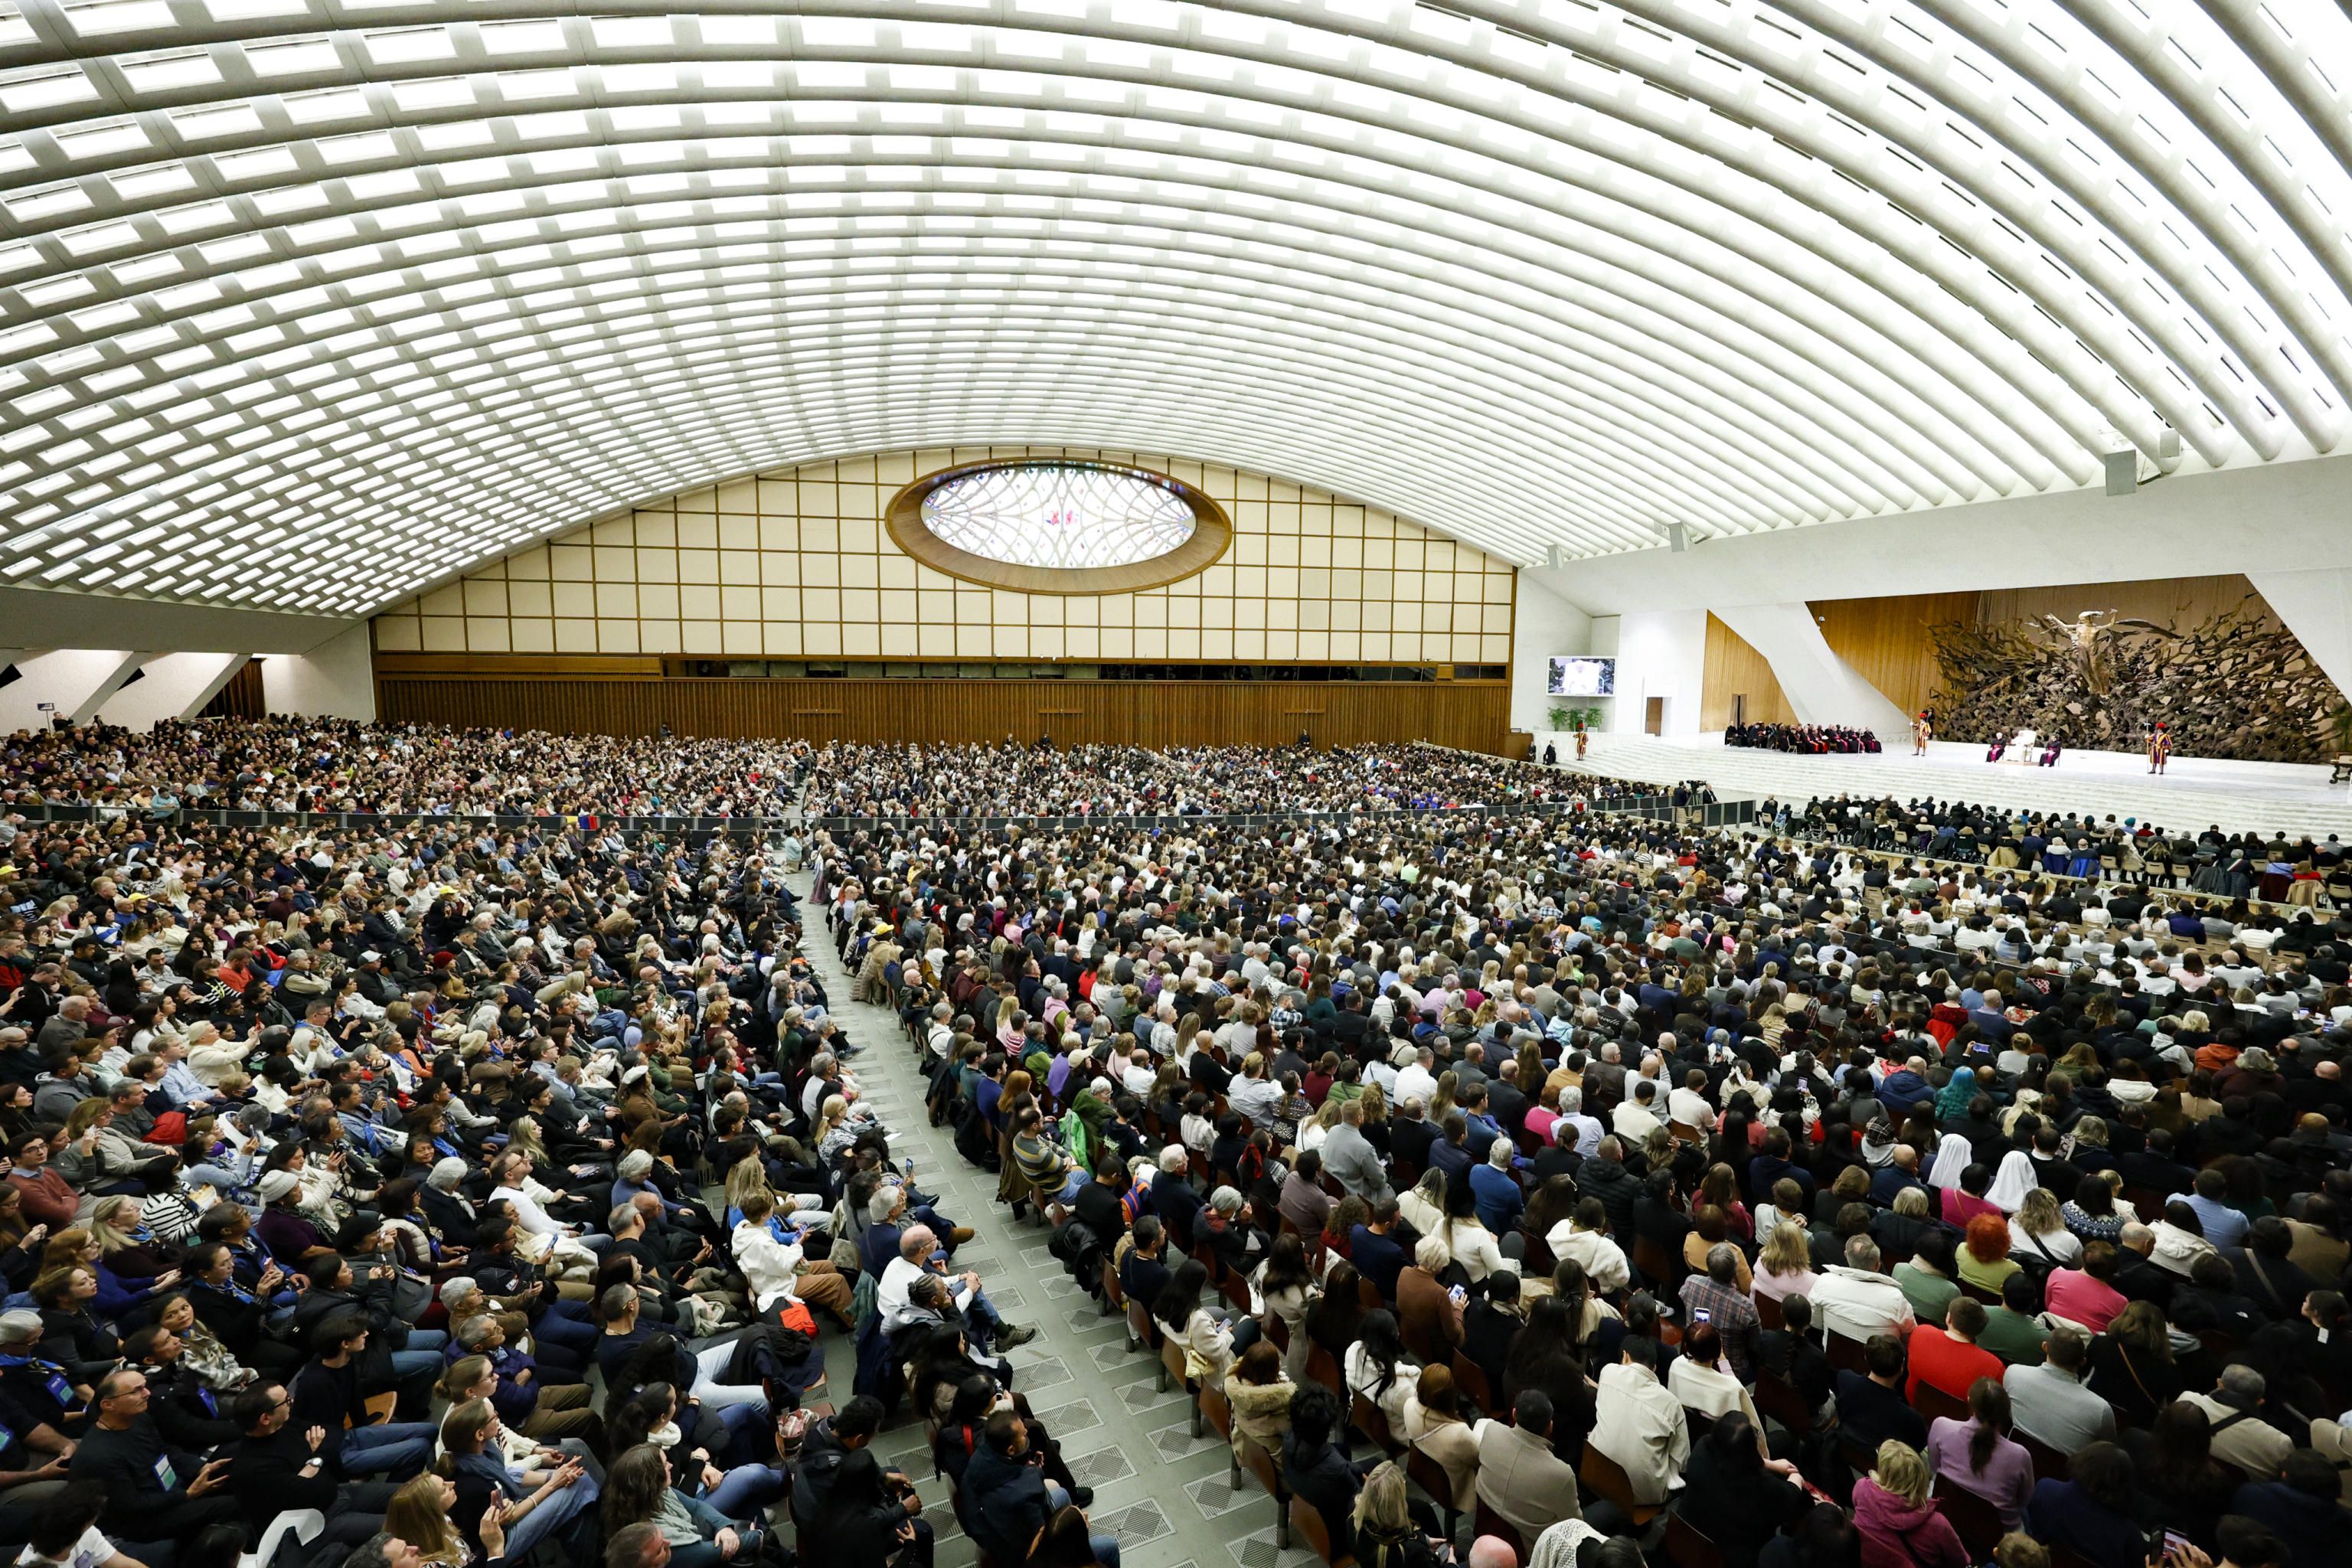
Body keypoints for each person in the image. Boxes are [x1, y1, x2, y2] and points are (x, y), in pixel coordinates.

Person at [1681, 1413, 1809, 1568]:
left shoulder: (1701, 1450)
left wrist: (1770, 1464)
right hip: (1736, 1557)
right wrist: (1795, 1475)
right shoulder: (1761, 1488)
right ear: (1751, 1449)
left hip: (1691, 1538)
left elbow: (1733, 1457)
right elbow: (1791, 1494)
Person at [1588, 1338, 1687, 1510]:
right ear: (1654, 1369)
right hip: (1644, 1496)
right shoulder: (1671, 1403)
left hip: (1595, 1476)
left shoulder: (1608, 1372)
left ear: (1625, 1356)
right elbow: (1682, 1460)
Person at [1922, 1377, 2034, 1530]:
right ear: (2005, 1413)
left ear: (1970, 1402)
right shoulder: (2020, 1455)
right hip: (1998, 1534)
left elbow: (1934, 1467)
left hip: (1944, 1513)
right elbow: (2024, 1501)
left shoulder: (1941, 1426)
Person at [1473, 1390, 1581, 1542]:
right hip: (1531, 1548)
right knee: (1608, 1510)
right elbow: (1575, 1526)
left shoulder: (1491, 1430)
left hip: (1485, 1527)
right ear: (1550, 1426)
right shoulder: (1561, 1474)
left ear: (1514, 1414)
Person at [1851, 1440, 1966, 1568]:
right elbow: (1961, 1562)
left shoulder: (1862, 1488)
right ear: (1920, 1477)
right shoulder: (1937, 1525)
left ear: (1883, 1472)